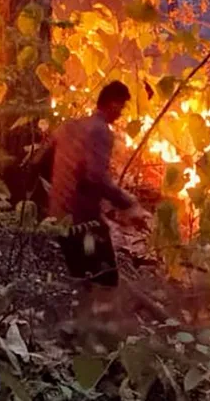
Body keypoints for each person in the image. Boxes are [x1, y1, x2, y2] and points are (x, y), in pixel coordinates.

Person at [47, 81, 141, 289]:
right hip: (82, 222)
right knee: (105, 278)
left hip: (57, 214)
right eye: (122, 107)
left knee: (80, 275)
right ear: (113, 104)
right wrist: (127, 202)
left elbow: (42, 160)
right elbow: (96, 176)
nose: (121, 113)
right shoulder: (100, 131)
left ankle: (80, 311)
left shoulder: (70, 125)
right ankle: (97, 314)